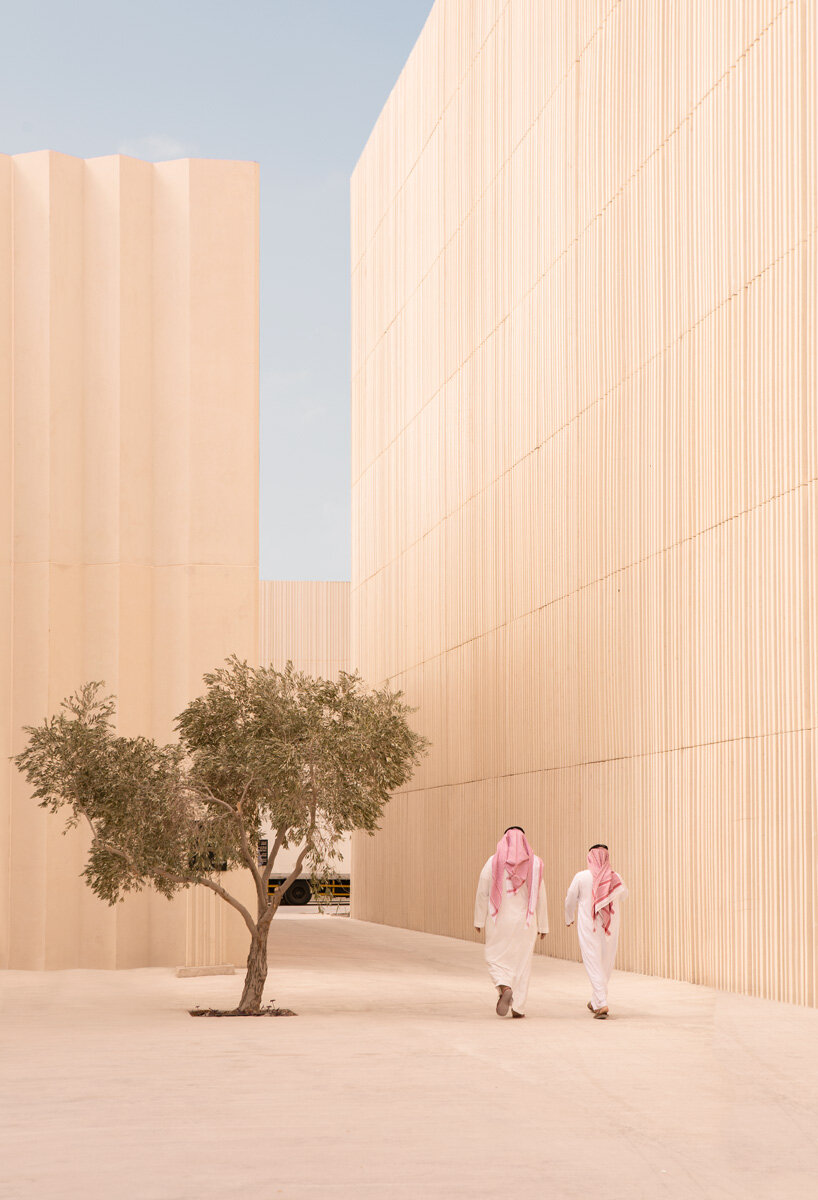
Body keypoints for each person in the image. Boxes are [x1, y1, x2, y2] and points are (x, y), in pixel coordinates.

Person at [473, 827, 549, 1018]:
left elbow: (483, 892)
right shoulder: (536, 864)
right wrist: (543, 925)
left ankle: (504, 985)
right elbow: (541, 896)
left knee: (494, 957)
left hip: (499, 920)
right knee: (523, 963)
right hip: (526, 922)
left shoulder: (494, 862)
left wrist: (479, 920)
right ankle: (519, 1008)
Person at [564, 844, 628, 1019]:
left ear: (590, 857)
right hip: (611, 927)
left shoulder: (582, 877)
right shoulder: (615, 877)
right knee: (606, 962)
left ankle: (601, 1004)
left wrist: (569, 917)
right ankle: (595, 1000)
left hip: (589, 925)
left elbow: (570, 898)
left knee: (593, 961)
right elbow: (623, 896)